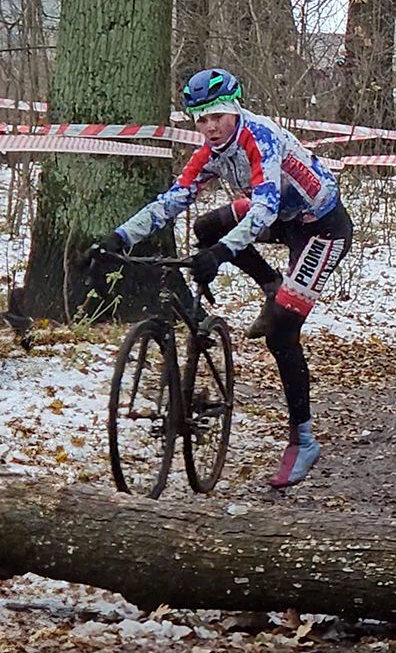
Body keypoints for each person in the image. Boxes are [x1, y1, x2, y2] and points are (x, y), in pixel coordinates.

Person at [97, 68, 353, 489]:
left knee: (281, 332)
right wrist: (118, 237)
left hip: (321, 228)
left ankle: (303, 439)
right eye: (200, 119)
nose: (210, 126)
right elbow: (172, 201)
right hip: (284, 218)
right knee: (205, 227)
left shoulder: (260, 137)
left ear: (234, 109)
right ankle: (271, 283)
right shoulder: (210, 153)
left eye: (217, 115)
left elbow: (264, 209)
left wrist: (220, 255)